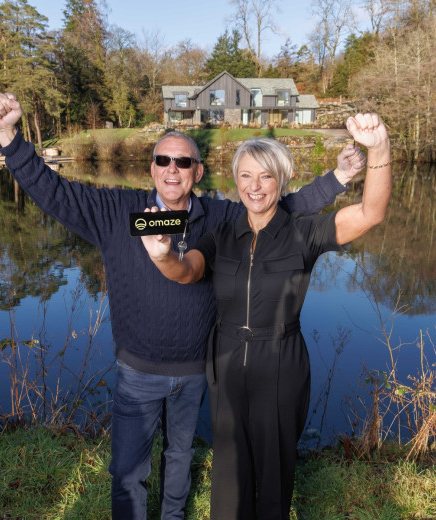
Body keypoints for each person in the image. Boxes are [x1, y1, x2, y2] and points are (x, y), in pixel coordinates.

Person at [0, 92, 367, 520]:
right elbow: (55, 193)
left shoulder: (218, 217)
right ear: (151, 168)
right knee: (129, 472)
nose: (172, 169)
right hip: (138, 372)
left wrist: (337, 178)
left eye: (183, 163)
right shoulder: (121, 213)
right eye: (163, 160)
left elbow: (282, 206)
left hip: (194, 372)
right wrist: (8, 138)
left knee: (180, 458)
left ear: (197, 172)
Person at [140, 113, 392, 519]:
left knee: (274, 473)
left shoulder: (303, 232)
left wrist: (379, 148)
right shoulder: (220, 235)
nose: (254, 187)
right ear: (236, 181)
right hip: (225, 364)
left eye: (265, 177)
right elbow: (186, 272)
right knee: (229, 472)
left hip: (280, 363)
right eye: (245, 176)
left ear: (282, 180)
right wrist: (163, 255)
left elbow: (370, 213)